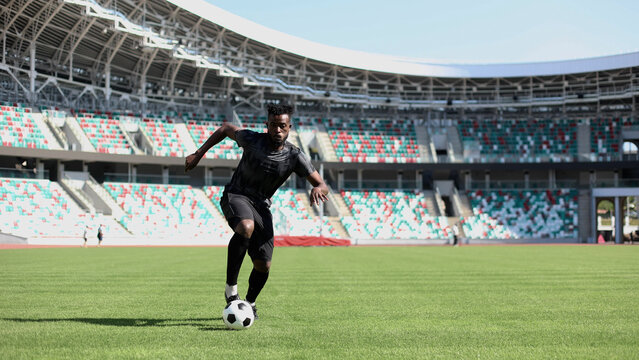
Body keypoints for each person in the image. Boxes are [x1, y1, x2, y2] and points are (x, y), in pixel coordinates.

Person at [184, 103, 329, 320]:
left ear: (289, 127)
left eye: (282, 126)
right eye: (273, 126)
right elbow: (225, 129)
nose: (277, 130)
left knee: (264, 264)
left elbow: (321, 183)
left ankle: (249, 304)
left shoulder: (295, 156)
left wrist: (318, 187)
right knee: (245, 226)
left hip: (262, 205)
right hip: (236, 195)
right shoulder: (252, 139)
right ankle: (231, 289)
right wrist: (198, 154)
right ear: (267, 125)